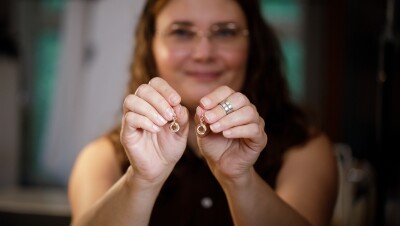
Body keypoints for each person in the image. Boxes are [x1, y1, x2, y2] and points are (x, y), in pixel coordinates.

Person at [68, 0, 338, 225]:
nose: (203, 53)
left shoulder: (306, 150)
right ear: (151, 45)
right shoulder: (101, 157)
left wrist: (239, 179)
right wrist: (141, 181)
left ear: (253, 45)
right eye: (182, 33)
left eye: (225, 32)